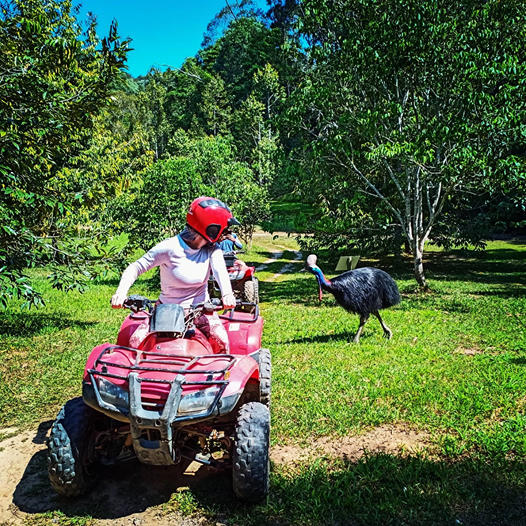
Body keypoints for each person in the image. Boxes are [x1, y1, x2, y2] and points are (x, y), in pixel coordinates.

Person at [111, 197, 238, 353]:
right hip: (165, 311)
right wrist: (121, 292)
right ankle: (136, 377)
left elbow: (220, 272)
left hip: (200, 311)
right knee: (135, 343)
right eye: (223, 229)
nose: (225, 233)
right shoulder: (169, 247)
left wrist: (227, 294)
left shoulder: (213, 250)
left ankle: (219, 377)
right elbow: (136, 267)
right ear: (211, 228)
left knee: (222, 342)